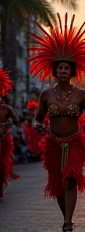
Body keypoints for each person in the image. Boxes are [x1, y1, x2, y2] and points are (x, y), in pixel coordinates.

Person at [27, 13, 85, 231]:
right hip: (52, 143)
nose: (63, 70)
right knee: (58, 184)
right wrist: (38, 126)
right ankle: (66, 215)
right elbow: (36, 120)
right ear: (55, 70)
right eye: (60, 67)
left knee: (71, 179)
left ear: (72, 71)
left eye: (67, 68)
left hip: (75, 143)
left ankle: (68, 222)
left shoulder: (82, 94)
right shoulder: (45, 95)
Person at [0, 69, 19, 199]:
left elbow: (15, 120)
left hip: (3, 139)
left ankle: (0, 187)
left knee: (1, 166)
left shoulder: (7, 109)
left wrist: (8, 124)